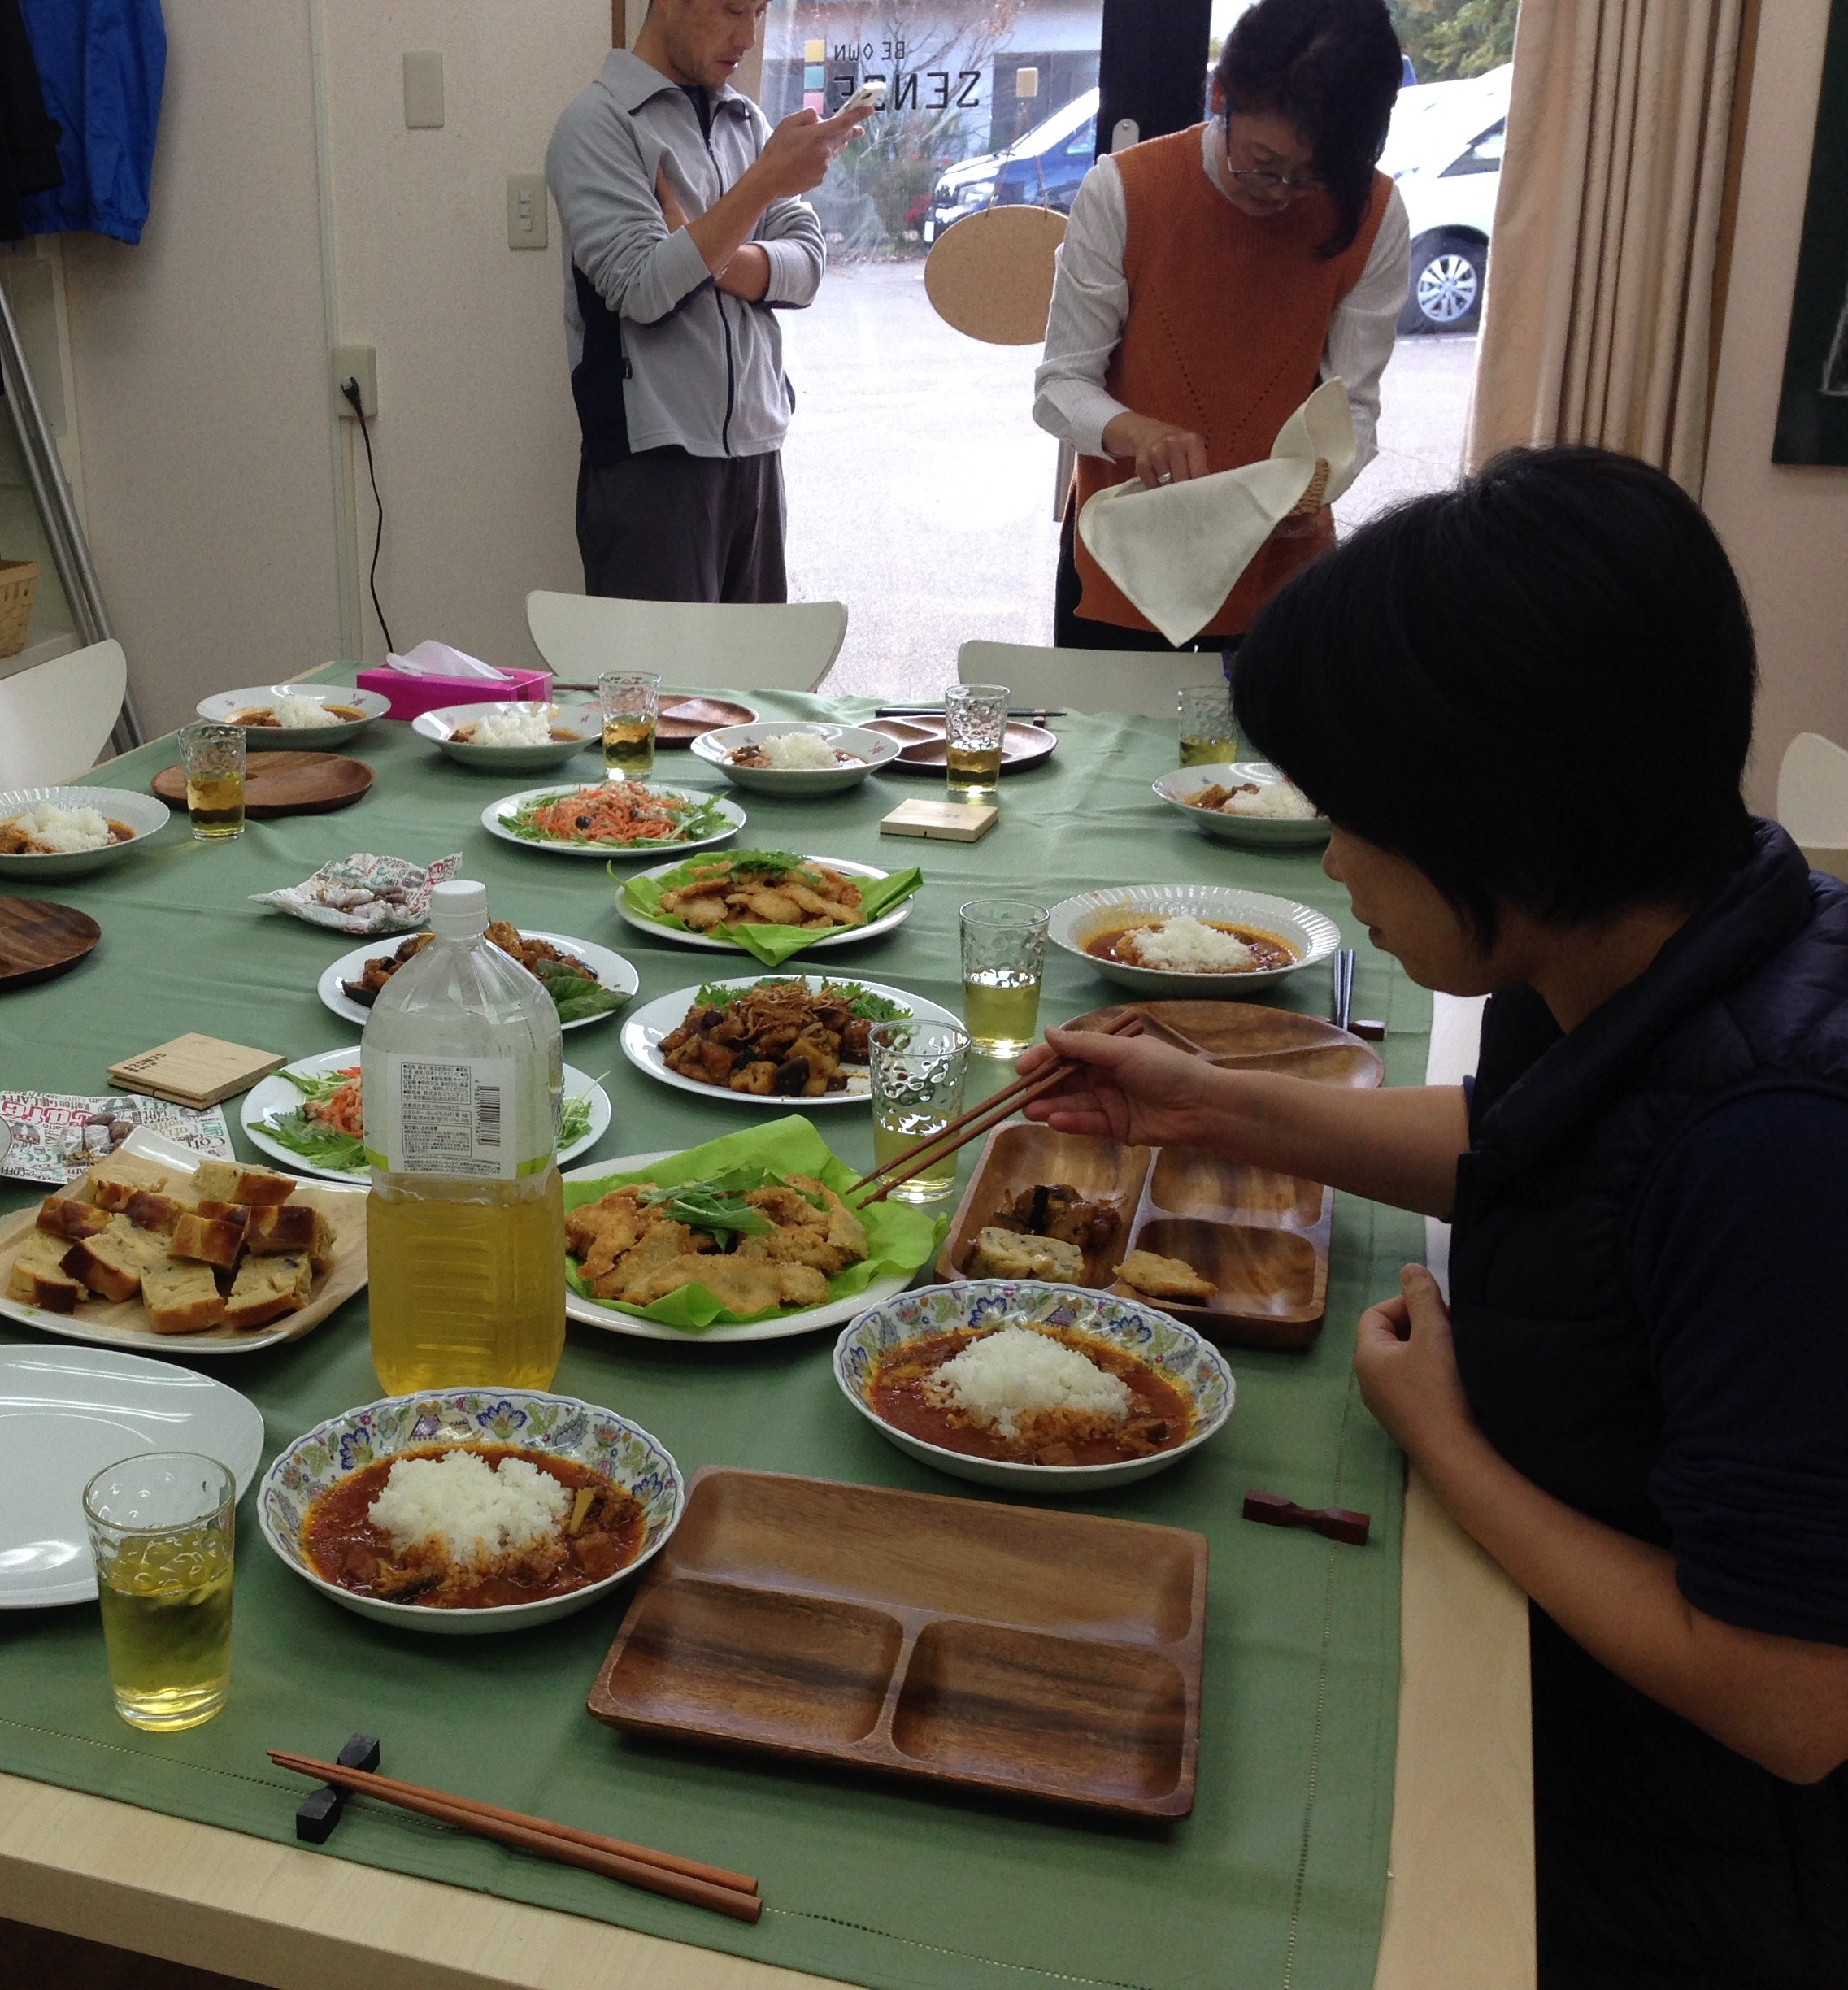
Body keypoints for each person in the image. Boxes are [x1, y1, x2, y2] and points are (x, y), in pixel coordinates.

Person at [1022, 447, 1848, 1987]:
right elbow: (1523, 1149)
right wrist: (1202, 1103)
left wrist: (1446, 1441)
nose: (1336, 860)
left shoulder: (1779, 1156)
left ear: (1506, 822)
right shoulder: (1659, 930)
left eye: (1358, 817)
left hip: (1697, 1848)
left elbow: (1789, 1700)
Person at [1033, 0, 1408, 650]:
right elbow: (1060, 387)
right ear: (1220, 95)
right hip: (1131, 565)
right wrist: (1138, 432)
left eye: (1312, 175)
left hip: (1283, 579)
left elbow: (1352, 408)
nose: (1280, 191)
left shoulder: (1372, 213)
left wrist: (1316, 484)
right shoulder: (1127, 191)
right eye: (1261, 161)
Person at [545, 0, 871, 603]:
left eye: (759, 13)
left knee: (758, 666)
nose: (747, 36)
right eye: (731, 10)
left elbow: (807, 266)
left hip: (758, 449)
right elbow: (643, 287)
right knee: (660, 669)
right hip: (652, 462)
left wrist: (700, 248)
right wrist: (763, 185)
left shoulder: (747, 123)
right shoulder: (598, 124)